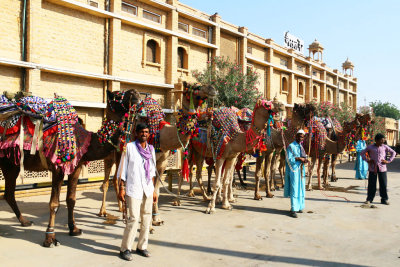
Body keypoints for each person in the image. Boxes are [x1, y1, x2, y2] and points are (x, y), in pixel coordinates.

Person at [118, 123, 158, 261]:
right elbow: (122, 170)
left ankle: (142, 246)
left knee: (147, 218)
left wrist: (153, 190)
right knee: (133, 219)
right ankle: (125, 248)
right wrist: (121, 188)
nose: (144, 134)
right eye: (141, 132)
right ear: (136, 133)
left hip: (147, 188)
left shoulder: (151, 149)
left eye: (146, 132)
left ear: (149, 134)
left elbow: (152, 171)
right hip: (133, 188)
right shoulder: (129, 147)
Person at [361, 133, 396, 205]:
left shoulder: (385, 147)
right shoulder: (370, 147)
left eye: (383, 140)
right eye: (381, 140)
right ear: (377, 140)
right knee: (371, 184)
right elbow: (362, 153)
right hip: (372, 168)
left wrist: (388, 161)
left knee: (383, 184)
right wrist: (367, 159)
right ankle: (369, 199)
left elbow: (393, 153)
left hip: (382, 168)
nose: (383, 141)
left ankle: (384, 199)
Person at [284, 129, 308, 218]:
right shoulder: (291, 146)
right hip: (294, 170)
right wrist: (299, 159)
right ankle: (293, 209)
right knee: (294, 189)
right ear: (296, 136)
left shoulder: (301, 146)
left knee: (301, 188)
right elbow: (289, 159)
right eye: (299, 136)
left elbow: (303, 156)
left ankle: (299, 206)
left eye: (302, 137)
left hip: (301, 170)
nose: (300, 138)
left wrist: (305, 160)